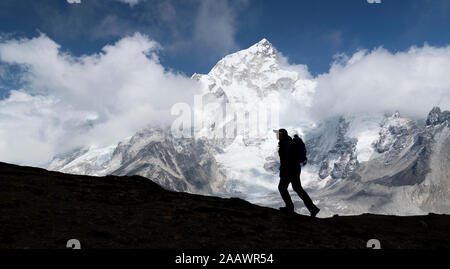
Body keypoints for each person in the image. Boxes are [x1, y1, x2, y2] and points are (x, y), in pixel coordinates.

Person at [274, 128, 320, 217]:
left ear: (283, 134)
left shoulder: (286, 144)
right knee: (297, 189)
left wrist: (284, 171)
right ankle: (312, 209)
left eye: (279, 134)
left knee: (283, 188)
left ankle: (290, 208)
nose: (277, 135)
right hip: (294, 169)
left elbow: (287, 159)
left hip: (289, 170)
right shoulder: (288, 143)